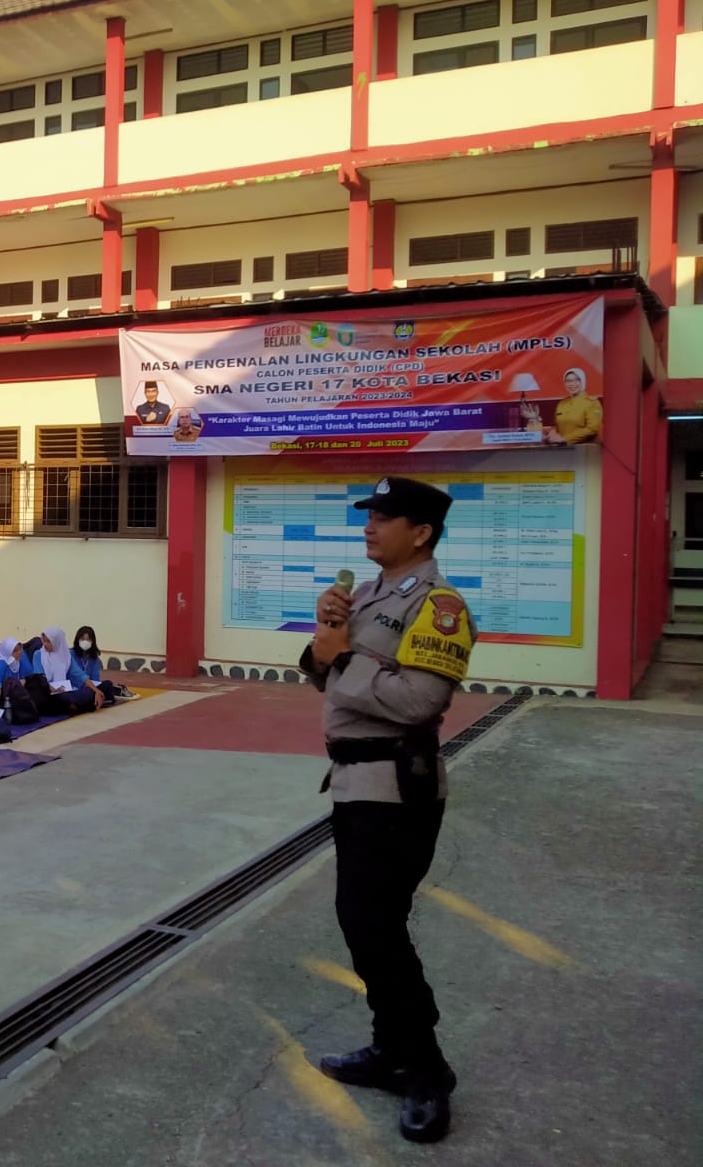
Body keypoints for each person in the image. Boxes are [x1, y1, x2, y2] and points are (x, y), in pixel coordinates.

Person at [302, 476, 473, 1145]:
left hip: (397, 790)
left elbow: (417, 704)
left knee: (376, 929)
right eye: (369, 515)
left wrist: (343, 658)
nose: (370, 525)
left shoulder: (440, 606)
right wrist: (325, 643)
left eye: (385, 516)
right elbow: (330, 681)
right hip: (354, 785)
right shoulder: (368, 595)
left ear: (421, 532)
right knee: (366, 925)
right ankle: (389, 1049)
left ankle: (426, 1071)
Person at [28, 627, 106, 715]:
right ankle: (76, 706)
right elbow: (39, 678)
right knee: (62, 698)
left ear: (57, 641)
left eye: (48, 642)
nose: (45, 644)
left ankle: (73, 706)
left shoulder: (66, 656)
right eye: (44, 641)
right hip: (46, 692)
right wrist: (52, 688)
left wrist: (96, 690)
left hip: (64, 690)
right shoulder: (38, 655)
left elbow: (80, 675)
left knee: (91, 691)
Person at [72, 625, 134, 703]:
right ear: (77, 640)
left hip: (91, 687)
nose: (85, 642)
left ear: (92, 641)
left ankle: (97, 698)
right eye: (82, 639)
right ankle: (96, 698)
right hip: (76, 687)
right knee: (84, 694)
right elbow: (75, 675)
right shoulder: (71, 654)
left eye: (88, 640)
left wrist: (93, 687)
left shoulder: (93, 657)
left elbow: (96, 679)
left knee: (108, 684)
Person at [546, 367, 603, 445]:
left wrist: (565, 439)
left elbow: (592, 429)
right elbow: (556, 425)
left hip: (585, 450)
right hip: (563, 450)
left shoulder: (592, 403)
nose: (572, 384)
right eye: (568, 381)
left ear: (583, 381)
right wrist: (553, 433)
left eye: (577, 380)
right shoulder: (562, 404)